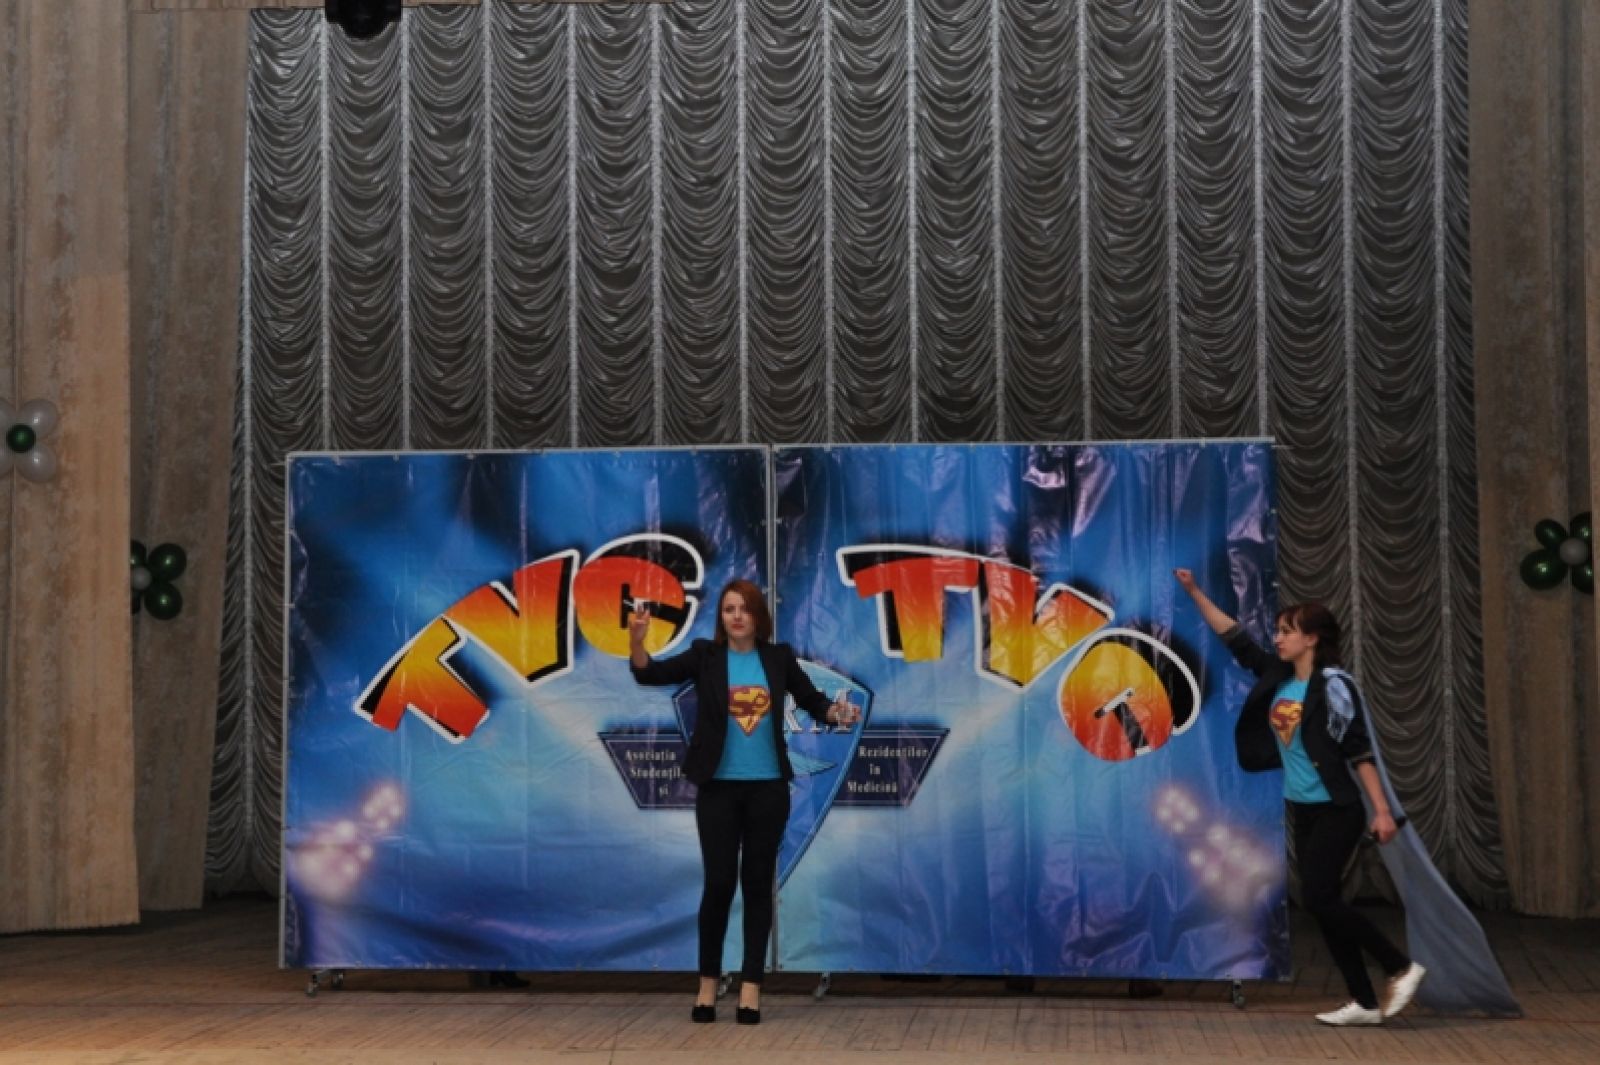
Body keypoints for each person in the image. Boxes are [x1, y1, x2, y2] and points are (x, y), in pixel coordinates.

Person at [1174, 569, 1426, 1026]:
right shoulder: (1278, 676)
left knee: (1321, 898)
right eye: (1277, 631)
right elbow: (1234, 636)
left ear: (1311, 639)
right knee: (1322, 903)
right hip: (1304, 809)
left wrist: (1382, 811)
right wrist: (1194, 592)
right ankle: (1365, 1003)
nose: (1278, 638)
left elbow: (1359, 753)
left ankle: (1399, 966)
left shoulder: (1333, 686)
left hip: (1338, 809)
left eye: (1287, 631)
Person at [629, 579, 858, 1025]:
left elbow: (813, 702)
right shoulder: (705, 656)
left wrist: (838, 713)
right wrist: (638, 643)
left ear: (758, 616)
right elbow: (650, 673)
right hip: (718, 789)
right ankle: (707, 984)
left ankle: (752, 986)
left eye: (745, 608)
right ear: (721, 617)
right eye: (729, 609)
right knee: (718, 884)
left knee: (756, 885)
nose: (737, 616)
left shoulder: (778, 658)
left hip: (767, 790)